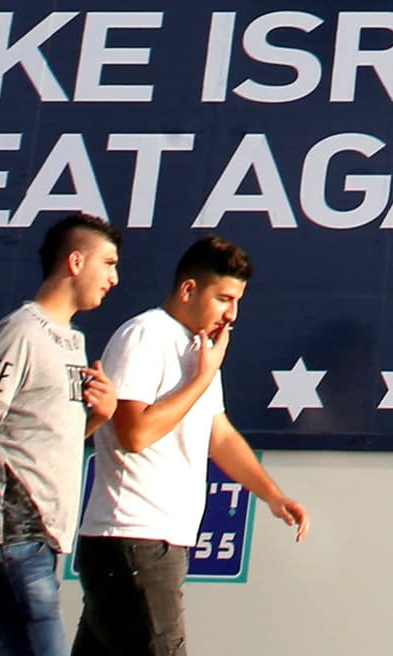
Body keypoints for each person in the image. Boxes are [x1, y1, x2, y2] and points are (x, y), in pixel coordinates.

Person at [75, 237, 309, 656]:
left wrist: (272, 495)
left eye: (237, 301)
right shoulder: (145, 336)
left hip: (158, 543)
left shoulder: (199, 350)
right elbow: (134, 435)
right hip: (133, 539)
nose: (232, 314)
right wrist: (201, 378)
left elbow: (217, 435)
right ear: (188, 290)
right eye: (223, 298)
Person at [0, 212, 128, 656]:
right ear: (76, 262)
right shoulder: (20, 332)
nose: (115, 278)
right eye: (109, 263)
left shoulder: (74, 342)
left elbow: (38, 440)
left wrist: (99, 418)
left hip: (43, 543)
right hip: (12, 540)